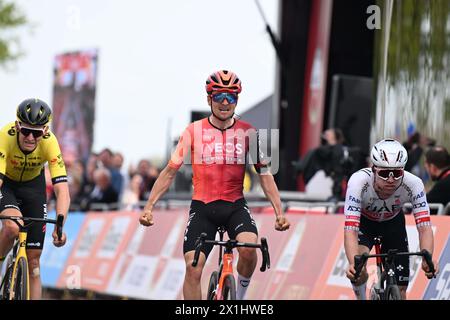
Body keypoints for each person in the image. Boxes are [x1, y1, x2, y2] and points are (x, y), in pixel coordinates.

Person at [139, 70, 290, 300]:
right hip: (203, 208)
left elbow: (265, 175)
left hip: (235, 206)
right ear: (209, 99)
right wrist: (149, 207)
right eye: (220, 96)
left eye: (232, 97)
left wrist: (279, 212)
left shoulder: (248, 132)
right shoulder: (193, 131)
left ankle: (238, 298)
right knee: (193, 267)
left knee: (250, 250)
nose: (226, 102)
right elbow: (170, 172)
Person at [344, 138, 439, 300]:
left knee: (401, 289)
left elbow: (424, 227)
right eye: (384, 173)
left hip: (393, 224)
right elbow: (350, 230)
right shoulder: (358, 182)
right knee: (358, 269)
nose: (390, 179)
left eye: (396, 173)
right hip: (365, 224)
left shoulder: (414, 184)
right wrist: (353, 263)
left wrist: (428, 258)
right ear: (373, 169)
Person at [0, 98, 69, 299]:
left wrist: (60, 225)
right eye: (26, 131)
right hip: (7, 185)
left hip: (33, 188)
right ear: (17, 126)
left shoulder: (50, 143)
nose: (30, 137)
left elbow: (62, 190)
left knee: (34, 263)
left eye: (37, 132)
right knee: (13, 227)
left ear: (45, 131)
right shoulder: (5, 136)